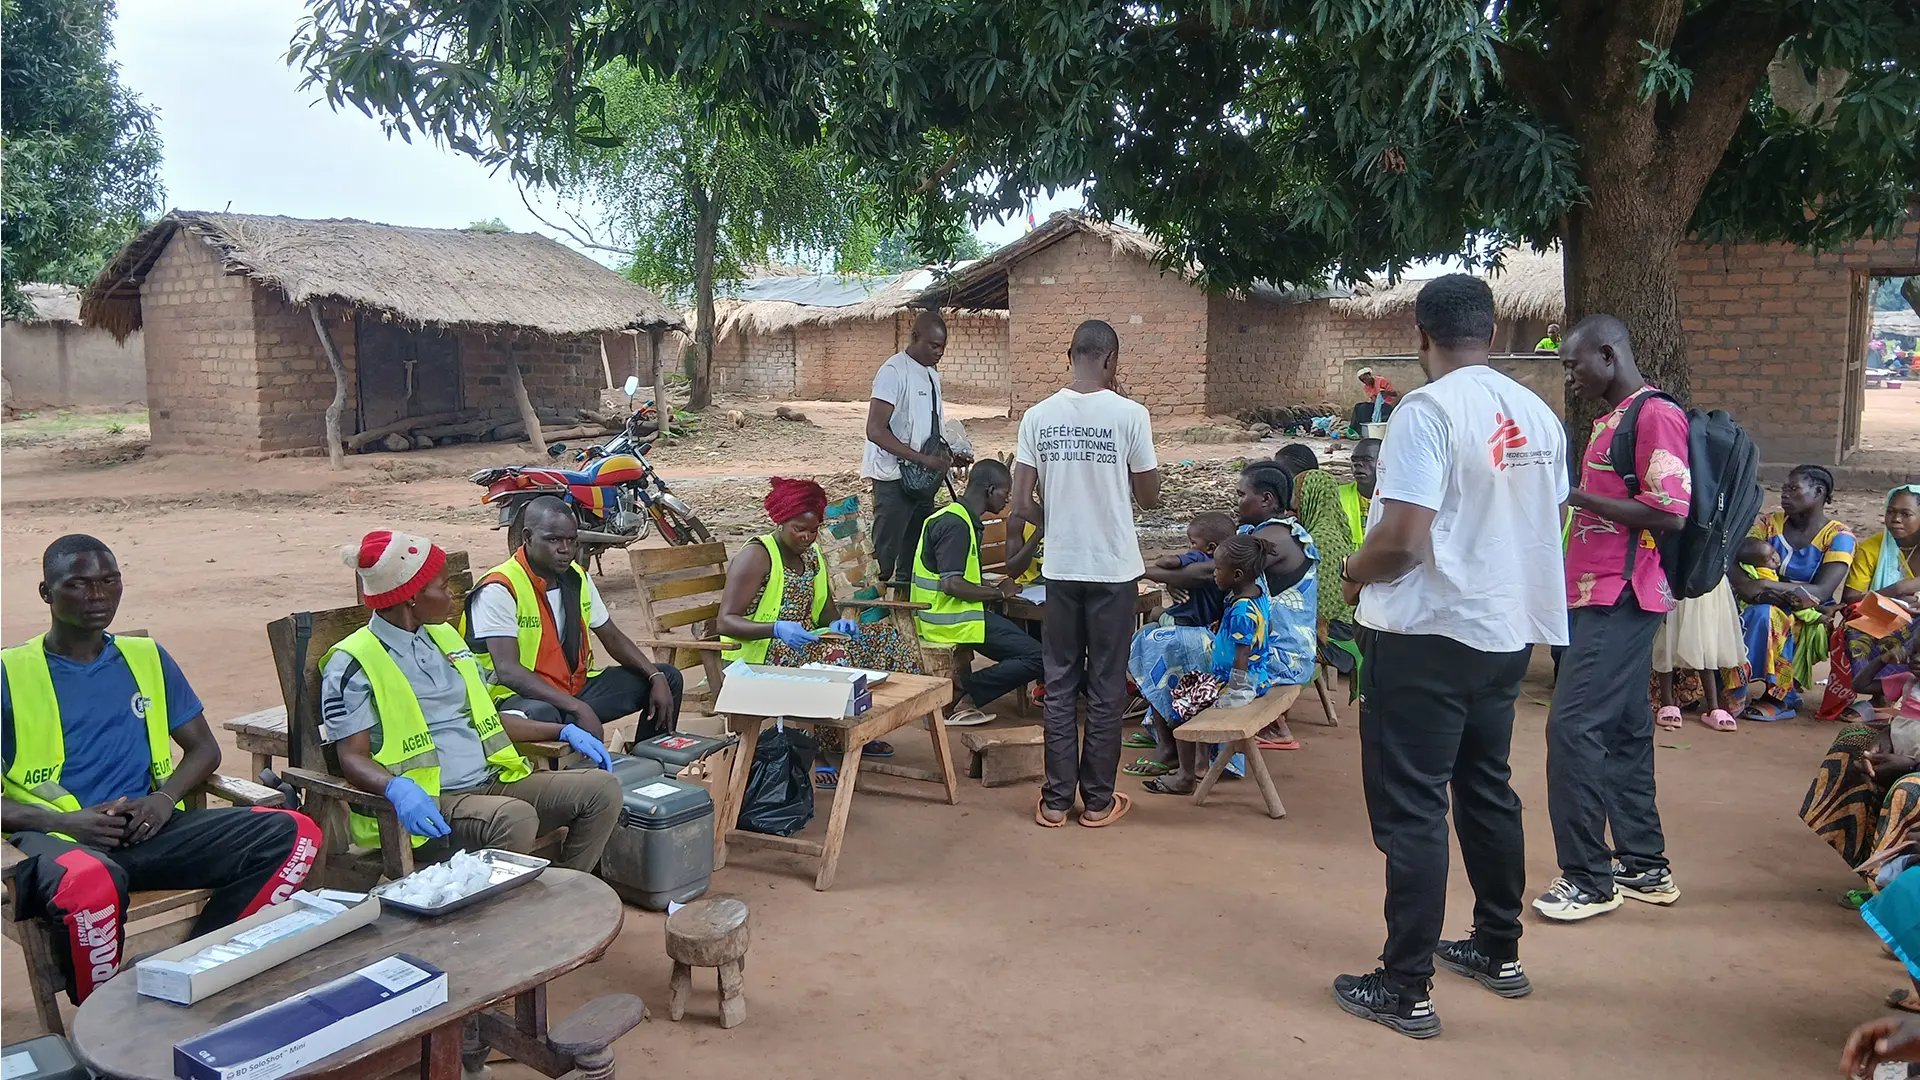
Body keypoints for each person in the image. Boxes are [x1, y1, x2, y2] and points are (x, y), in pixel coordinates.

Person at [1333, 274, 1568, 1039]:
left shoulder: (1425, 411)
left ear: (1420, 336)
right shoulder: (1538, 413)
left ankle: (1406, 988)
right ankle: (1499, 950)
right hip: (1505, 633)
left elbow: (1401, 540)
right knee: (1486, 787)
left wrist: (1350, 571)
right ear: (1495, 333)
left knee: (1412, 812)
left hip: (1427, 637)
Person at [3, 535, 321, 1004]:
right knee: (92, 883)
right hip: (62, 845)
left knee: (296, 834)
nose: (98, 596)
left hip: (146, 830)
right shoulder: (10, 674)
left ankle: (194, 965)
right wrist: (63, 822)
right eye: (79, 584)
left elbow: (204, 750)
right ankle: (109, 1013)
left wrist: (163, 799)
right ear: (46, 593)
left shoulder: (146, 659)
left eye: (109, 581)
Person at [325, 531, 622, 871]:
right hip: (433, 806)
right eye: (442, 586)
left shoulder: (445, 637)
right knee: (515, 818)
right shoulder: (354, 662)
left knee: (603, 789)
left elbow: (487, 718)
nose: (452, 593)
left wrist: (561, 730)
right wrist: (396, 788)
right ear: (410, 596)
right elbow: (351, 756)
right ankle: (503, 916)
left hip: (491, 782)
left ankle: (567, 887)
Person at [1535, 315, 1690, 923]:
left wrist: (1571, 494)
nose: (1569, 376)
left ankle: (1588, 879)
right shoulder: (1612, 420)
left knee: (1572, 729)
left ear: (1607, 354)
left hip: (1620, 594)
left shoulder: (1653, 415)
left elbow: (1669, 511)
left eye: (1574, 364)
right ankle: (1645, 864)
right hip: (1594, 592)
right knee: (1624, 729)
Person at [1013, 319, 1160, 829]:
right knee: (1105, 686)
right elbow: (1149, 496)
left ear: (1069, 353)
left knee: (1059, 683)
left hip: (1061, 568)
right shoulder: (1131, 415)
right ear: (1111, 359)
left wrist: (1057, 518)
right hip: (1114, 570)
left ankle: (1055, 801)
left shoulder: (1036, 417)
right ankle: (1097, 802)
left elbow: (1018, 503)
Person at [718, 478, 922, 783]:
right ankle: (820, 749)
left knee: (883, 638)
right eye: (799, 529)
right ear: (781, 520)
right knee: (836, 658)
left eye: (813, 531)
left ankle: (857, 730)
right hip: (758, 655)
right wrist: (776, 629)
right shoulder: (758, 555)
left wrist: (839, 625)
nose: (807, 537)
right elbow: (726, 621)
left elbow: (826, 612)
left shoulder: (812, 556)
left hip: (804, 645)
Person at [467, 496, 682, 739]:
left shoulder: (577, 577)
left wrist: (654, 675)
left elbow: (611, 635)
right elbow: (508, 671)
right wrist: (577, 707)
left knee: (667, 679)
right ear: (527, 537)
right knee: (546, 714)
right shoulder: (500, 587)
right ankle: (566, 774)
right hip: (518, 699)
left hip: (572, 689)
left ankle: (654, 765)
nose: (565, 549)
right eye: (553, 540)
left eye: (572, 540)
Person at [910, 458, 1045, 722]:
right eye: (1005, 494)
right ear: (990, 490)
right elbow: (952, 585)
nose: (1006, 501)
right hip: (950, 620)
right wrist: (998, 593)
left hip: (961, 614)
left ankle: (965, 690)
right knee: (1039, 656)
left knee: (1034, 645)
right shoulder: (955, 525)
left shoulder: (960, 518)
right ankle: (961, 688)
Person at [1141, 535, 1276, 796]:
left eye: (1217, 570)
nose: (1213, 574)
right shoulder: (1256, 594)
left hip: (1238, 683)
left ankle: (1185, 775)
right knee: (1193, 687)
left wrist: (1235, 690)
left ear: (1236, 575)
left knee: (1181, 702)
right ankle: (1201, 764)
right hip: (1255, 677)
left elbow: (1242, 654)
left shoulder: (1241, 611)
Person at [1730, 465, 1856, 720]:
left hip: (1809, 616)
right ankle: (1735, 688)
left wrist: (1764, 586)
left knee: (1767, 615)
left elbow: (1821, 591)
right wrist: (1750, 588)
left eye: (1793, 489)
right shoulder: (1769, 523)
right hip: (1760, 602)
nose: (1784, 495)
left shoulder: (1838, 536)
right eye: (1784, 488)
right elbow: (1734, 557)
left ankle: (1781, 698)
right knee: (1757, 612)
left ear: (1819, 492)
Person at [1124, 511, 1242, 778]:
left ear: (1210, 547)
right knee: (1154, 633)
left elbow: (1183, 567)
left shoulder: (1212, 563)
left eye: (1192, 543)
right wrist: (1175, 580)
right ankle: (1164, 735)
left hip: (1208, 639)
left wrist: (1147, 573)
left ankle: (1169, 748)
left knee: (1155, 649)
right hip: (1210, 634)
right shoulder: (1230, 557)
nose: (1190, 548)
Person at [1803, 625, 1920, 884]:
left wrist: (1910, 765)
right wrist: (1883, 659)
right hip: (1902, 751)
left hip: (1912, 763)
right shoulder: (1909, 683)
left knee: (1906, 791)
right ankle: (1862, 856)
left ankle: (1888, 879)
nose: (1918, 659)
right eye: (1915, 652)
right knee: (1852, 742)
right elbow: (1860, 684)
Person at [863, 311, 961, 589]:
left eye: (942, 346)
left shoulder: (931, 375)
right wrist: (921, 458)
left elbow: (926, 426)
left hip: (923, 480)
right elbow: (875, 430)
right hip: (894, 480)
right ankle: (874, 617)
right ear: (915, 337)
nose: (939, 352)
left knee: (915, 556)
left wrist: (946, 454)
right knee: (884, 557)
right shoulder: (893, 372)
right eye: (934, 345)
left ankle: (906, 614)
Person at [1822, 486, 1920, 722]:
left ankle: (1905, 700)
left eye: (1906, 514)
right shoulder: (1872, 548)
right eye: (1891, 512)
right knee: (1856, 624)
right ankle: (1879, 698)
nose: (1896, 519)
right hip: (1885, 615)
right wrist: (1895, 591)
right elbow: (1851, 598)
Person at [1293, 468, 1361, 685]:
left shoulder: (1318, 539)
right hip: (1353, 623)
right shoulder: (1337, 528)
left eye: (1297, 496)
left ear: (1309, 496)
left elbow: (1322, 602)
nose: (1293, 505)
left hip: (1337, 631)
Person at [1338, 438, 1381, 547]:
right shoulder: (1337, 495)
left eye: (1367, 459)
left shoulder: (1398, 499)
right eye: (1354, 460)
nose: (1358, 464)